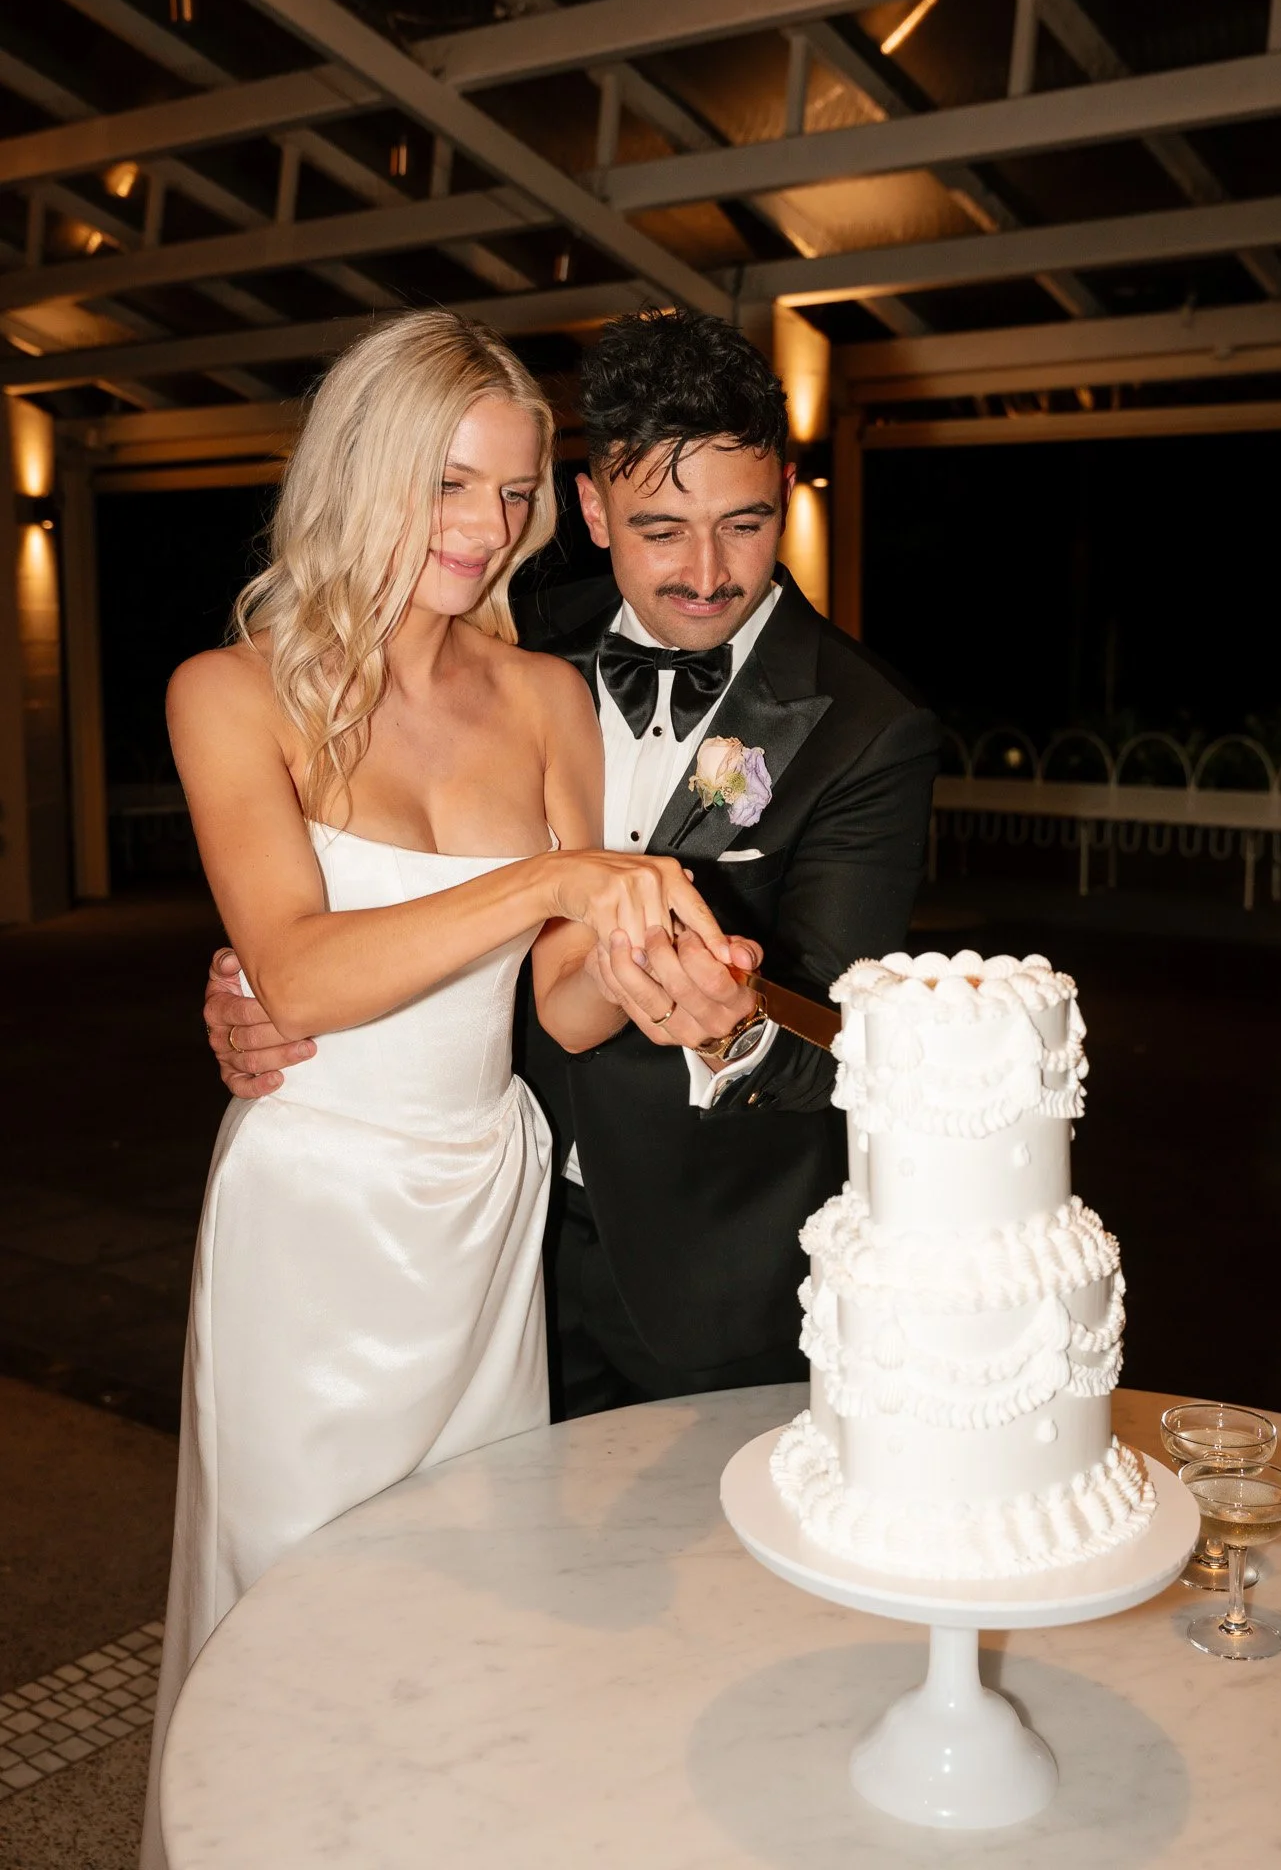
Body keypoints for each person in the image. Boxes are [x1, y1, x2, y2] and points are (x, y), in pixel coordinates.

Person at [140, 310, 737, 1870]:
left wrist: (666, 965)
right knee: (290, 1594)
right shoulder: (228, 693)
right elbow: (307, 972)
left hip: (482, 1205)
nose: (484, 529)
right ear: (361, 469)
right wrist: (558, 871)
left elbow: (555, 997)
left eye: (515, 492)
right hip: (314, 1208)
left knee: (468, 1598)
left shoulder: (545, 697)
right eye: (447, 484)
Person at [204, 307, 939, 1420]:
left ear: (785, 491)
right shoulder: (515, 640)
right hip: (502, 1227)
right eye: (660, 528)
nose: (706, 572)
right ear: (592, 508)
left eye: (744, 524)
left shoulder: (870, 727)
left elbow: (844, 1037)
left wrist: (728, 1017)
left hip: (707, 1268)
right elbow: (345, 894)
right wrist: (249, 984)